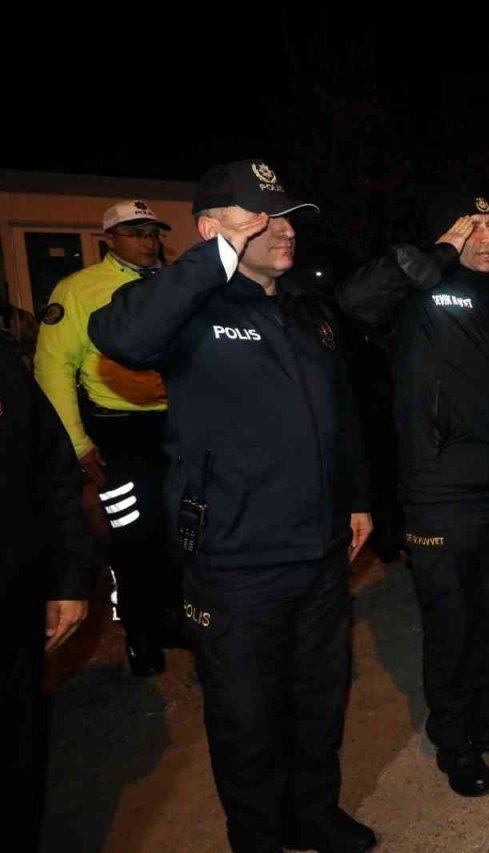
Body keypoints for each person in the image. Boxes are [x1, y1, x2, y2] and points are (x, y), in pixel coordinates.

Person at [89, 160, 375, 853]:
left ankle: (314, 813)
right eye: (264, 218)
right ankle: (258, 836)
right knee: (246, 717)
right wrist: (215, 253)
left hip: (319, 551)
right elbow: (119, 338)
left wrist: (357, 497)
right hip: (236, 560)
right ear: (214, 227)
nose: (285, 231)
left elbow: (339, 413)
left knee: (319, 698)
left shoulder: (303, 308)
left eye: (287, 217)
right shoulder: (190, 305)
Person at [337, 191, 489, 799]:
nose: (486, 236)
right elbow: (354, 300)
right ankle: (453, 741)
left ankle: (485, 721)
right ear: (446, 234)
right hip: (440, 494)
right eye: (470, 226)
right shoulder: (418, 292)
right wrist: (436, 252)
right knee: (450, 624)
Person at [34, 199, 180, 676]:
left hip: (182, 425)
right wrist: (77, 444)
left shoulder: (177, 281)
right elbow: (54, 369)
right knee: (134, 534)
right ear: (108, 240)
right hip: (121, 430)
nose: (146, 241)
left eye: (152, 232)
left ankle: (179, 618)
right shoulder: (78, 290)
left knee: (189, 528)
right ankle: (141, 634)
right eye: (134, 232)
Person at [1, 335, 95, 851]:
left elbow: (52, 472)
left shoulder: (2, 365)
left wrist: (67, 578)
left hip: (12, 609)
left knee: (18, 757)